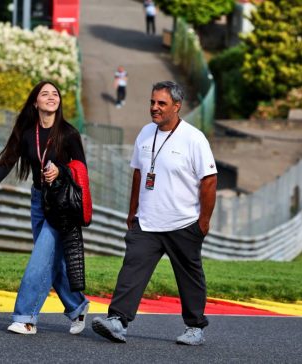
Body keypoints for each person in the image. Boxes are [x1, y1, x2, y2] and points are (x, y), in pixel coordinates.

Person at [91, 81, 217, 346]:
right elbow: (138, 172)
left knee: (189, 276)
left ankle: (194, 327)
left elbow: (209, 181)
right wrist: (132, 210)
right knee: (132, 268)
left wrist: (203, 222)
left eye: (161, 103)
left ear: (177, 106)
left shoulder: (194, 139)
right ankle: (117, 320)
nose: (154, 108)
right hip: (147, 222)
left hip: (183, 223)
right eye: (152, 102)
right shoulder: (146, 133)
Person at [0, 80, 90, 335]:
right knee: (51, 264)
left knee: (39, 261)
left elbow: (82, 172)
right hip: (38, 201)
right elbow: (9, 158)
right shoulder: (27, 131)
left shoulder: (69, 134)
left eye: (55, 93)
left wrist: (61, 169)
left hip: (61, 205)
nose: (51, 97)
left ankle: (26, 318)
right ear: (36, 102)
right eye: (45, 94)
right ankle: (77, 306)